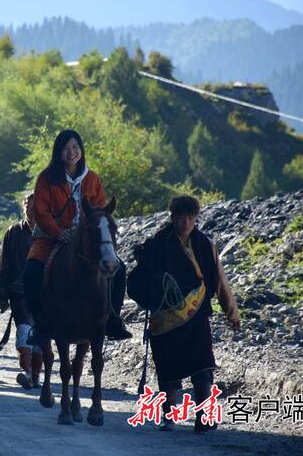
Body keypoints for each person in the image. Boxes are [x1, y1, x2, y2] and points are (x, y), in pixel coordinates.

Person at [135, 196, 240, 432]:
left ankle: (203, 416)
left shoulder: (205, 245)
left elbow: (220, 281)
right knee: (168, 367)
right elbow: (141, 280)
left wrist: (231, 312)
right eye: (181, 217)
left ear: (196, 219)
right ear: (172, 218)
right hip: (166, 318)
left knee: (202, 365)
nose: (185, 223)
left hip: (197, 313)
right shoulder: (157, 245)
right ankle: (169, 416)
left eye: (190, 218)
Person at [22, 129, 131, 344]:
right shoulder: (46, 178)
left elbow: (99, 211)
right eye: (65, 148)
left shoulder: (92, 179)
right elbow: (41, 213)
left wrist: (84, 232)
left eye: (75, 147)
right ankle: (41, 324)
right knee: (31, 272)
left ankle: (112, 319)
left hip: (87, 238)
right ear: (58, 152)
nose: (71, 152)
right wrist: (60, 232)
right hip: (52, 237)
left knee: (119, 270)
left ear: (81, 150)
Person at [0, 192, 43, 389]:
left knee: (40, 333)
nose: (32, 212)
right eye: (28, 208)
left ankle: (36, 375)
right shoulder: (13, 232)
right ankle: (27, 371)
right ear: (24, 208)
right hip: (19, 291)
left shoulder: (50, 233)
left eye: (36, 208)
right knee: (24, 329)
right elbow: (3, 263)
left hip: (44, 292)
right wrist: (0, 289)